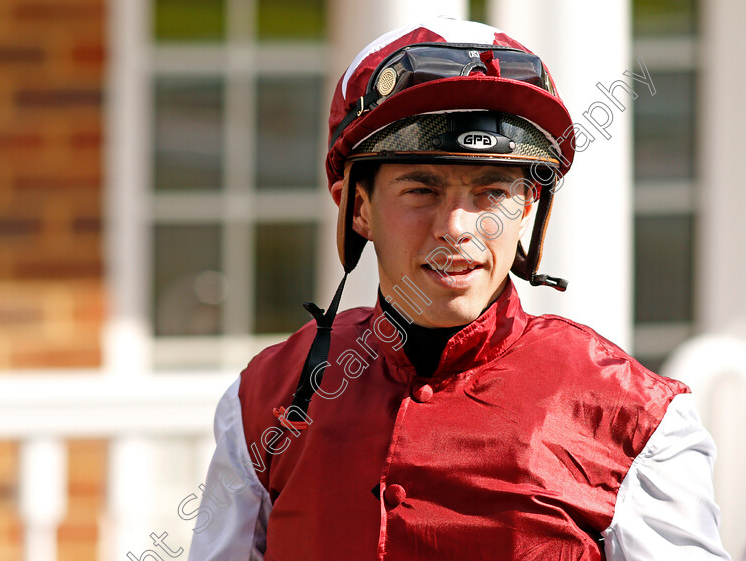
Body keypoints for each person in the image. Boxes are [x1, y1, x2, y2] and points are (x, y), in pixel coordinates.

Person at [187, 18, 729, 561]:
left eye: (492, 191)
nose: (457, 227)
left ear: (526, 213)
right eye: (422, 189)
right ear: (358, 208)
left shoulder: (639, 417)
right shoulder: (263, 398)